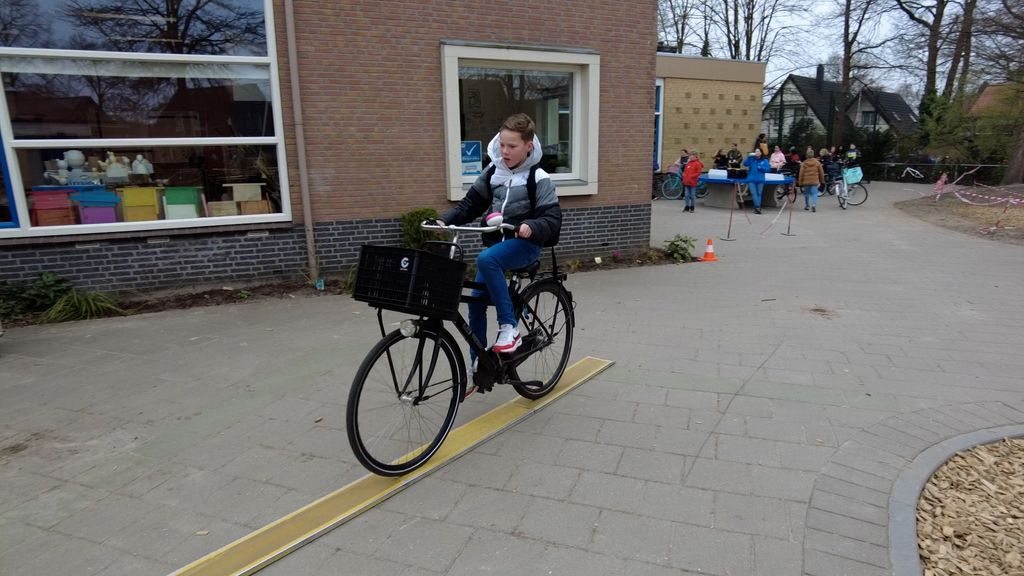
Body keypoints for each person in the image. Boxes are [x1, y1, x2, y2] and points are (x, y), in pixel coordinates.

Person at [438, 113, 562, 359]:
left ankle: (509, 328)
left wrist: (531, 226)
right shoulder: (493, 171)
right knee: (476, 303)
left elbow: (552, 220)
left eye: (512, 146)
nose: (505, 151)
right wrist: (444, 220)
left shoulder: (538, 178)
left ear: (528, 146)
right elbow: (469, 206)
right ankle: (477, 364)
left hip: (524, 245)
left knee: (486, 259)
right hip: (497, 245)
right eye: (502, 144)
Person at [742, 148, 771, 214]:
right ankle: (758, 207)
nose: (756, 152)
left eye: (758, 151)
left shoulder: (765, 160)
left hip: (760, 179)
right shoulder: (752, 159)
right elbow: (745, 164)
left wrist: (761, 167)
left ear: (761, 153)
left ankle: (757, 208)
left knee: (759, 193)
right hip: (751, 179)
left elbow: (768, 170)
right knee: (753, 193)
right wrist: (749, 157)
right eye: (755, 151)